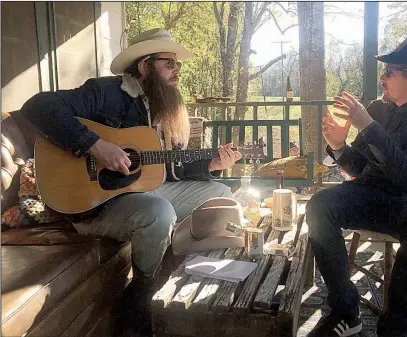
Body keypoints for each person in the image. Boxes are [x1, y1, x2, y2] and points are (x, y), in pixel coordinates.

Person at [20, 28, 242, 336]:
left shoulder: (162, 109)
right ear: (144, 66)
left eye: (178, 65)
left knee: (219, 193)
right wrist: (94, 145)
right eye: (169, 64)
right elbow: (38, 107)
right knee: (159, 212)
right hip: (95, 205)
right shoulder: (106, 93)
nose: (177, 71)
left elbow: (167, 168)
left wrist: (213, 164)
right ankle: (140, 292)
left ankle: (187, 277)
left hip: (143, 193)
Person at [306, 36, 407, 337]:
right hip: (371, 194)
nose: (383, 77)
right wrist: (338, 146)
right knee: (319, 205)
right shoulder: (379, 108)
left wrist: (368, 126)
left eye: (389, 71)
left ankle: (400, 326)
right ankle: (346, 312)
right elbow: (360, 167)